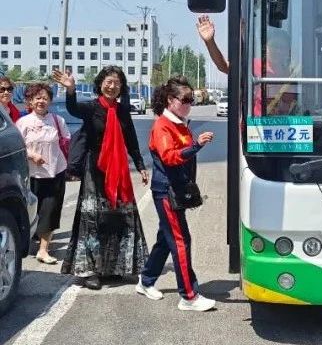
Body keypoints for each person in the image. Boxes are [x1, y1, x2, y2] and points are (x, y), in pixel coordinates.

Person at [52, 66, 149, 290]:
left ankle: (115, 267)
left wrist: (140, 165)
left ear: (121, 87)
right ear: (100, 84)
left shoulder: (123, 110)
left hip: (119, 171)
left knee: (119, 217)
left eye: (117, 83)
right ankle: (90, 271)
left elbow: (131, 139)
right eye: (108, 82)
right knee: (93, 220)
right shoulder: (91, 107)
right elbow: (73, 108)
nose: (112, 86)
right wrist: (71, 90)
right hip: (94, 172)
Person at [137, 76, 216, 312]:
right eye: (185, 99)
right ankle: (189, 296)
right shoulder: (163, 125)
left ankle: (146, 280)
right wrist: (196, 145)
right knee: (181, 240)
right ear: (171, 100)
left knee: (166, 238)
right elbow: (169, 157)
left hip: (177, 189)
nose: (189, 104)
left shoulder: (180, 123)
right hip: (166, 191)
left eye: (192, 99)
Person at [15, 83, 69, 265]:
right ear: (30, 101)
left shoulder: (57, 120)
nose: (41, 101)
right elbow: (17, 146)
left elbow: (66, 141)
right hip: (30, 175)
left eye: (45, 98)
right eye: (37, 98)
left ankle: (43, 250)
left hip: (55, 172)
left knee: (50, 211)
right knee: (30, 211)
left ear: (50, 101)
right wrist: (32, 155)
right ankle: (26, 241)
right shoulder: (23, 122)